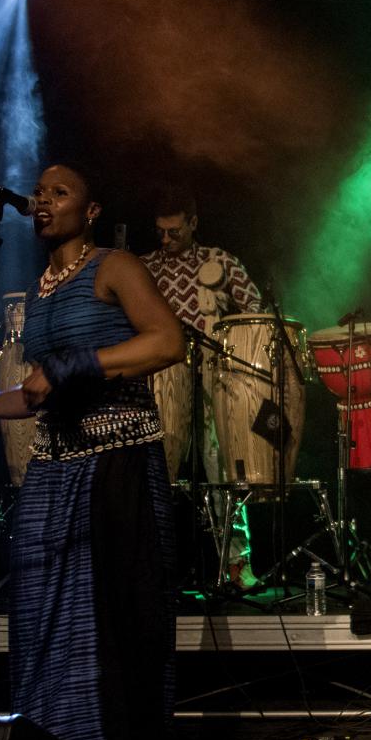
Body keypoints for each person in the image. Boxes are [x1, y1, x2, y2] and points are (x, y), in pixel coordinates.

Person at [0, 162, 185, 740]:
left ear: (90, 211)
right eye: (39, 192)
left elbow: (167, 342)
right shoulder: (39, 291)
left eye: (59, 192)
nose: (42, 201)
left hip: (118, 459)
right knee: (42, 619)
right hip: (54, 465)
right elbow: (36, 392)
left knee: (115, 621)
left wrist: (80, 362)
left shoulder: (115, 266)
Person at [141, 184, 265, 588]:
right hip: (161, 382)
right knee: (156, 473)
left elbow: (256, 314)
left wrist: (232, 342)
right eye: (160, 232)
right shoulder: (144, 269)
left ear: (193, 223)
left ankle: (236, 566)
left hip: (216, 378)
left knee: (222, 469)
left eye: (174, 231)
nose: (165, 240)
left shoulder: (220, 262)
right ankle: (153, 569)